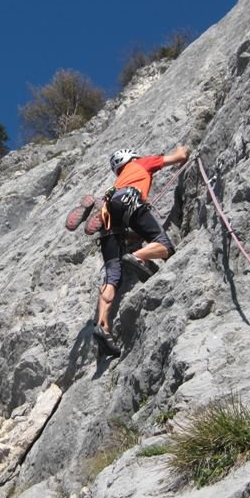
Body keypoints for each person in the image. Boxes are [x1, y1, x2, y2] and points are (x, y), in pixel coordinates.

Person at [92, 145, 190, 357]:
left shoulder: (118, 182)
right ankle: (137, 257)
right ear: (131, 158)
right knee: (165, 246)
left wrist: (132, 236)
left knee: (112, 276)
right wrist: (184, 149)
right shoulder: (140, 163)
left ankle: (102, 325)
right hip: (129, 201)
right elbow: (179, 157)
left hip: (108, 217)